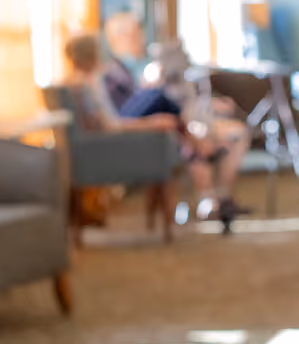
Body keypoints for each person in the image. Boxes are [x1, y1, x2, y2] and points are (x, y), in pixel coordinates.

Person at [102, 14, 251, 225]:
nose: (142, 40)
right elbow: (123, 118)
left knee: (234, 132)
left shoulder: (133, 68)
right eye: (137, 35)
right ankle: (208, 199)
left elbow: (179, 99)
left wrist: (206, 105)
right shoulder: (113, 75)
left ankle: (222, 197)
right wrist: (156, 114)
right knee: (191, 130)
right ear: (120, 38)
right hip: (151, 134)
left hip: (179, 120)